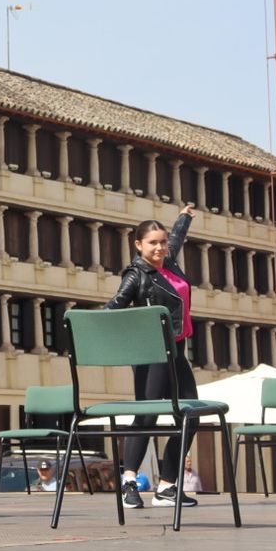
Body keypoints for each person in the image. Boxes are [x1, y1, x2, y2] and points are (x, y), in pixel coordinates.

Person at [104, 204, 202, 510]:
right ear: (138, 245)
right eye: (153, 243)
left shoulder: (169, 261)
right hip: (151, 354)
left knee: (190, 415)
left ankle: (167, 485)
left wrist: (184, 217)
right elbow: (114, 307)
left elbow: (177, 238)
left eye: (161, 242)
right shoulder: (136, 274)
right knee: (146, 416)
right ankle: (129, 483)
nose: (160, 247)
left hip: (176, 352)